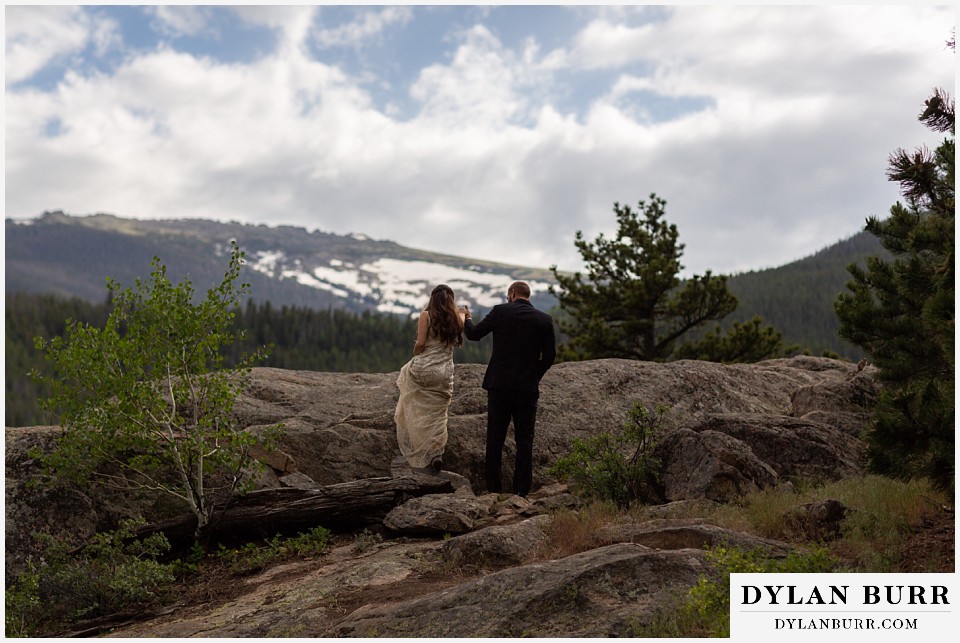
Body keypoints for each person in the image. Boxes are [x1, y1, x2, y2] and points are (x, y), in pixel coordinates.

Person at [463, 281, 556, 496]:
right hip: (526, 388)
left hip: (499, 385)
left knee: (495, 439)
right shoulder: (544, 319)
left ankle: (493, 490)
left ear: (512, 294)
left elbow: (474, 334)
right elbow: (550, 356)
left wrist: (466, 318)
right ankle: (521, 491)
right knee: (525, 440)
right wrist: (534, 375)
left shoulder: (500, 311)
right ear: (527, 295)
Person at [395, 284, 467, 473]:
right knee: (439, 413)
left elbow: (420, 343)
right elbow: (463, 318)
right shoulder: (456, 319)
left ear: (432, 298)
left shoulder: (426, 316)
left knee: (409, 385)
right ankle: (436, 453)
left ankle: (418, 441)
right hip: (444, 373)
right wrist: (464, 313)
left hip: (424, 369)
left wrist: (417, 353)